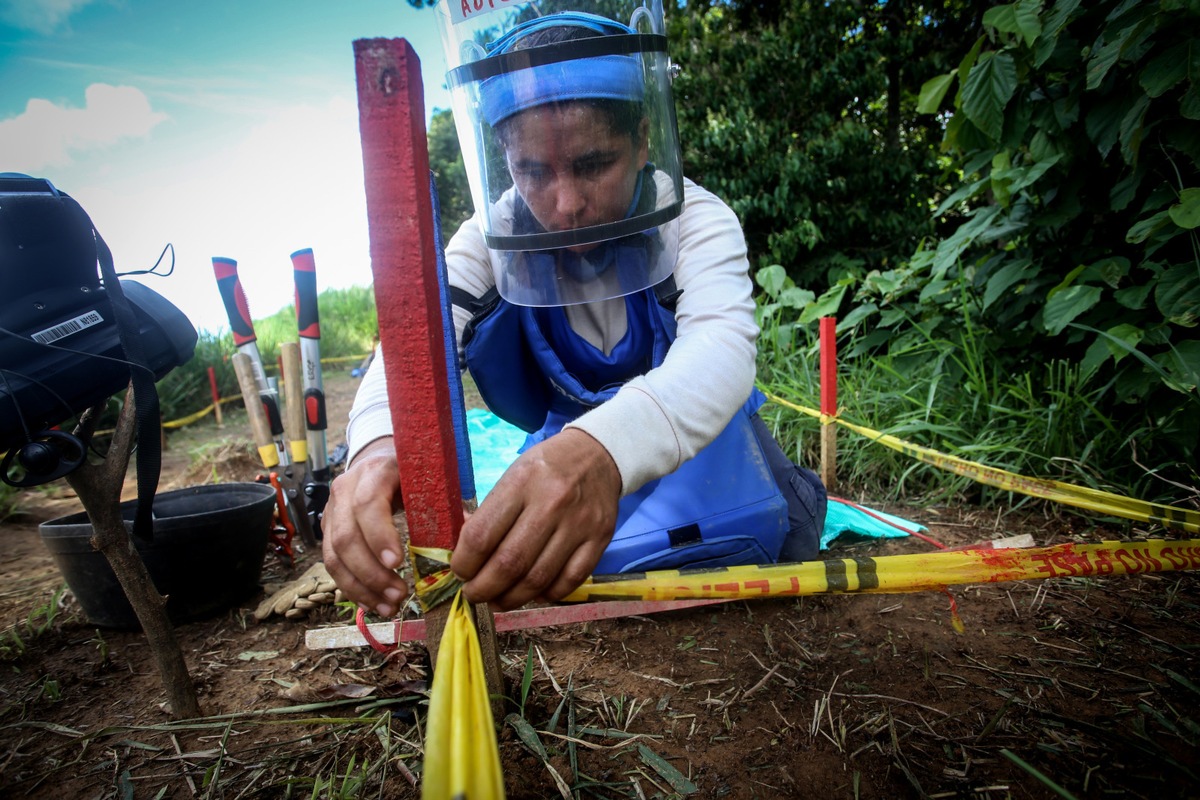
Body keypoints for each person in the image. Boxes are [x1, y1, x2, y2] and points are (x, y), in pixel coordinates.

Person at [323, 3, 826, 615]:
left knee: (777, 538)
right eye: (531, 171)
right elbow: (410, 354)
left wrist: (601, 453)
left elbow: (721, 352)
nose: (564, 204)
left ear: (643, 141)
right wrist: (377, 446)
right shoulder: (488, 238)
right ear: (504, 163)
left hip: (698, 440)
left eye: (593, 165)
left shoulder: (692, 218)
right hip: (566, 450)